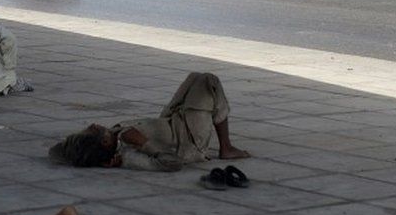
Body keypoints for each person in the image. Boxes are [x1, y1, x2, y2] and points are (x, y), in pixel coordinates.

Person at [49, 72, 251, 171]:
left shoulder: (113, 139)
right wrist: (143, 143)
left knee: (195, 77)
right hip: (189, 139)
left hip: (171, 121)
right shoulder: (129, 156)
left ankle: (222, 140)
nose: (93, 125)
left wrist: (73, 150)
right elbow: (173, 164)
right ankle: (226, 148)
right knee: (209, 81)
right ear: (103, 143)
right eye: (91, 131)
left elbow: (57, 152)